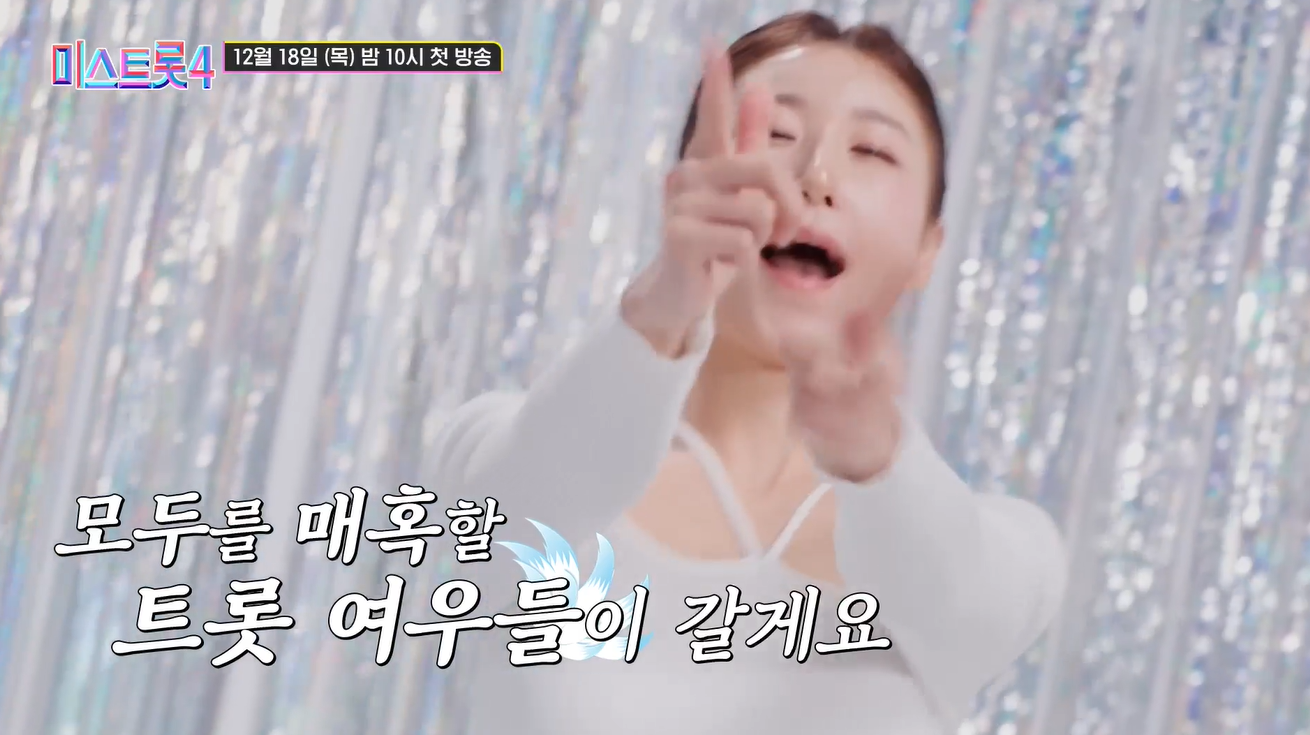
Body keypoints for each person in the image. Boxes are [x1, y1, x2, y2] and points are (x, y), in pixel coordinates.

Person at [431, 11, 1068, 735]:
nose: (814, 175)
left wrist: (875, 458)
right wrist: (664, 301)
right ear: (685, 189)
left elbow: (956, 589)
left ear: (929, 248)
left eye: (871, 151)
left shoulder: (1008, 553)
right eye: (776, 134)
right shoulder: (492, 448)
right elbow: (521, 502)